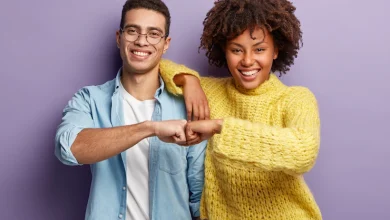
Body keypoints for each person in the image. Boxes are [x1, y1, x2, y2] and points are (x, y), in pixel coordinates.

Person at [159, 0, 322, 219]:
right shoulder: (213, 92)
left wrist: (220, 127)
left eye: (260, 49)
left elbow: (303, 152)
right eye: (236, 50)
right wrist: (189, 80)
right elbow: (159, 65)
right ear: (224, 51)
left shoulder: (295, 98)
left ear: (276, 50)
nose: (247, 61)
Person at [55, 0, 206, 219]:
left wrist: (191, 80)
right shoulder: (89, 100)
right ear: (119, 37)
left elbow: (199, 193)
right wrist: (149, 128)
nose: (141, 41)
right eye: (133, 31)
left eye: (154, 34)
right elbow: (67, 149)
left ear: (166, 44)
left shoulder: (187, 107)